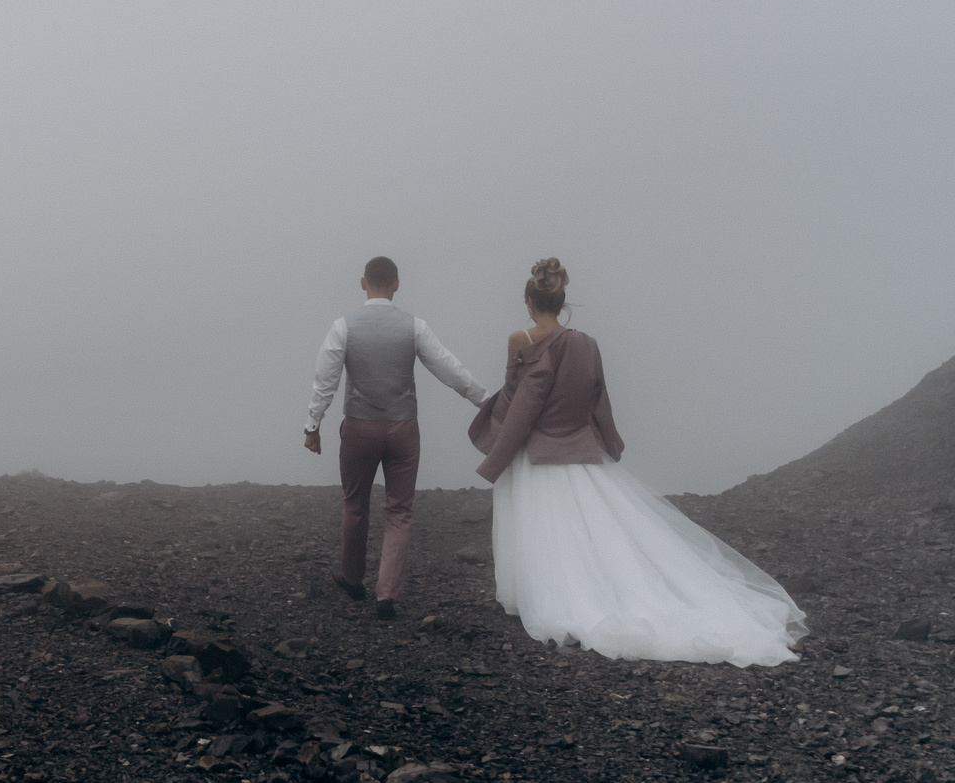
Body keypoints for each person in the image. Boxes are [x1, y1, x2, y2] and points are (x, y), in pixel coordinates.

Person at [471, 258, 804, 665]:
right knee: (595, 532)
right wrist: (610, 442)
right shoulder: (587, 343)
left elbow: (518, 400)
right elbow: (597, 399)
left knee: (546, 530)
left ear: (528, 300)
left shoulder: (520, 339)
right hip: (581, 450)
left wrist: (496, 453)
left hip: (537, 453)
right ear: (560, 301)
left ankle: (551, 596)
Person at [304, 256, 491, 620]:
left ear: (363, 283)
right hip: (404, 429)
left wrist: (313, 425)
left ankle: (353, 578)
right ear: (397, 285)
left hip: (359, 426)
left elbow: (325, 379)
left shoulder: (344, 327)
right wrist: (485, 400)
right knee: (400, 510)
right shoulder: (414, 327)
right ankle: (386, 593)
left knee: (355, 503)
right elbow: (448, 367)